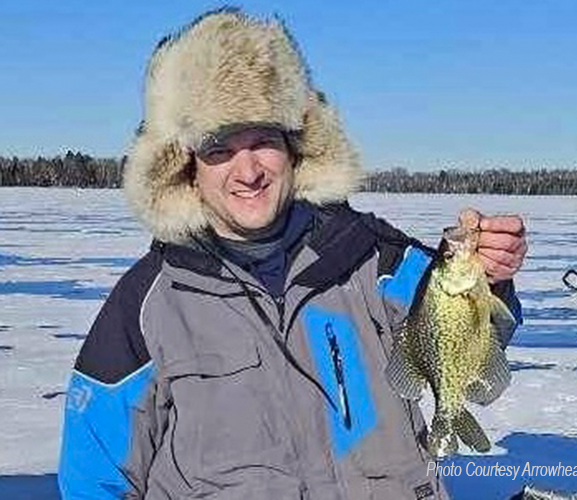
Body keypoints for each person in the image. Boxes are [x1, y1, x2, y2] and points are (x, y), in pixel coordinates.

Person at [58, 7, 527, 499]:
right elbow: (95, 477)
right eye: (219, 148)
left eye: (264, 140)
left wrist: (490, 275)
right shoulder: (145, 305)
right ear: (186, 165)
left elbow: (467, 332)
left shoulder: (372, 259)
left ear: (297, 147)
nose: (248, 171)